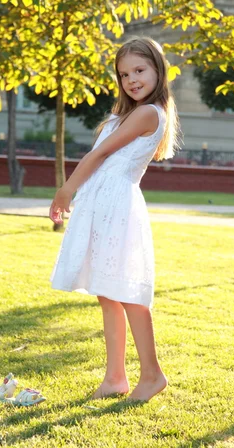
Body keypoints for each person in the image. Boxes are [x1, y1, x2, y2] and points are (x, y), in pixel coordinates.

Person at [49, 37, 181, 402]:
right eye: (124, 74)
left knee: (128, 293)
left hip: (117, 205)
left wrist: (66, 189)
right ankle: (115, 378)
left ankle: (152, 374)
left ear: (158, 69)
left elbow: (102, 153)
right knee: (107, 293)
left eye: (139, 70)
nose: (132, 80)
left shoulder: (148, 113)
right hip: (103, 203)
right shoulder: (126, 112)